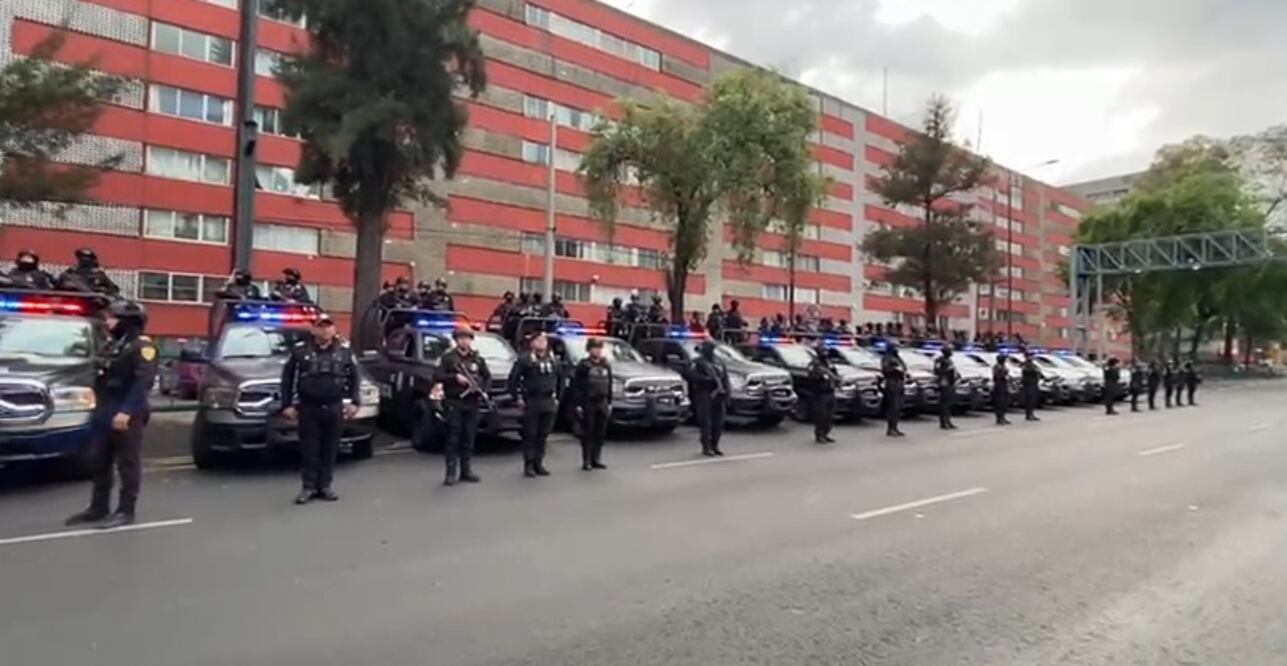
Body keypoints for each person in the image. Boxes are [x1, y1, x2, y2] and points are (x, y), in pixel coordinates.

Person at [65, 300, 158, 529]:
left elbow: (142, 383)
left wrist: (127, 412)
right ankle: (98, 508)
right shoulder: (114, 345)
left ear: (128, 321)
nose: (108, 322)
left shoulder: (142, 347)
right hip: (105, 410)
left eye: (113, 318)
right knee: (99, 461)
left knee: (127, 463)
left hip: (126, 412)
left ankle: (126, 510)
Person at [280, 313, 361, 504]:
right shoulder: (300, 352)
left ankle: (325, 486)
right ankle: (308, 487)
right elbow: (287, 379)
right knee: (309, 449)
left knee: (330, 448)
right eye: (321, 326)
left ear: (334, 330)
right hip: (309, 407)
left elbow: (355, 378)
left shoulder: (344, 352)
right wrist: (287, 404)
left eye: (328, 326)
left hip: (334, 406)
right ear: (313, 330)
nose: (325, 330)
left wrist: (355, 402)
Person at [434, 326, 491, 485]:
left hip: (472, 402)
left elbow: (487, 376)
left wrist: (482, 389)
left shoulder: (477, 358)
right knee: (453, 437)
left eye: (467, 338)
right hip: (455, 402)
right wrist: (454, 378)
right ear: (456, 340)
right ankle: (450, 473)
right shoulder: (448, 358)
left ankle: (466, 470)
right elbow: (437, 375)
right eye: (461, 338)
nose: (464, 341)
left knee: (469, 437)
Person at [508, 333, 563, 478]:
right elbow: (513, 380)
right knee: (530, 434)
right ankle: (529, 464)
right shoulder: (525, 360)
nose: (541, 342)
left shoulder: (553, 360)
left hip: (548, 401)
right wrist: (517, 398)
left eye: (544, 340)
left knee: (543, 434)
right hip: (532, 400)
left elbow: (561, 379)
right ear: (532, 343)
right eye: (538, 340)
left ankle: (539, 462)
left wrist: (558, 397)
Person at [570, 337, 612, 470]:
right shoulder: (583, 366)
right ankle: (587, 460)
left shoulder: (605, 364)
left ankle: (596, 458)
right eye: (595, 348)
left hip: (602, 402)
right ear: (589, 350)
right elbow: (576, 386)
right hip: (588, 402)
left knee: (600, 433)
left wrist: (609, 402)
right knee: (588, 432)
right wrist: (578, 404)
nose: (597, 351)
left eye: (599, 348)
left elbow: (609, 384)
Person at [689, 340, 730, 456]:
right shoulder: (698, 363)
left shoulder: (719, 362)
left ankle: (715, 445)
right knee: (706, 422)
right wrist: (708, 381)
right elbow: (693, 377)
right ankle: (706, 446)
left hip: (719, 396)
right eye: (709, 349)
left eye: (712, 349)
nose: (711, 351)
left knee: (718, 423)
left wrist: (727, 394)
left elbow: (725, 379)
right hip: (705, 394)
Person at [807, 341, 839, 444]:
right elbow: (812, 377)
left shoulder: (828, 362)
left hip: (830, 391)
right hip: (820, 394)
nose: (825, 352)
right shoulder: (815, 364)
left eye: (825, 350)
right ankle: (819, 435)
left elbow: (835, 373)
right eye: (822, 350)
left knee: (830, 415)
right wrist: (820, 376)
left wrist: (834, 377)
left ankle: (826, 434)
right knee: (821, 415)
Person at [881, 343, 907, 437]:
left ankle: (895, 427)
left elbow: (904, 367)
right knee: (893, 407)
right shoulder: (886, 358)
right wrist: (895, 369)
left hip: (899, 383)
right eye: (895, 347)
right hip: (892, 383)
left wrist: (902, 369)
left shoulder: (898, 358)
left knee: (898, 407)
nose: (897, 349)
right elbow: (885, 370)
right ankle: (890, 428)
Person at [934, 345, 959, 430]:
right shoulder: (939, 360)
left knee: (949, 403)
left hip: (950, 382)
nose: (951, 352)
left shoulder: (949, 360)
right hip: (944, 382)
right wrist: (947, 370)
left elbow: (953, 371)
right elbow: (936, 371)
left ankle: (948, 421)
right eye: (950, 351)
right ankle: (943, 422)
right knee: (944, 403)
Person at [1020, 350, 1042, 422]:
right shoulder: (1025, 364)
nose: (1032, 357)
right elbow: (1027, 371)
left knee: (1033, 400)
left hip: (1033, 383)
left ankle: (1031, 413)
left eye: (1032, 356)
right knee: (1029, 400)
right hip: (1028, 384)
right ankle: (1029, 414)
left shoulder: (1032, 364)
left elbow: (1038, 371)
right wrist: (1035, 370)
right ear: (1027, 357)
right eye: (1030, 356)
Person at [992, 352, 1012, 426]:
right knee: (999, 403)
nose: (1005, 361)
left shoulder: (1003, 366)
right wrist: (1004, 373)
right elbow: (998, 376)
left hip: (1004, 386)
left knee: (1004, 403)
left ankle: (1003, 417)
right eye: (1004, 359)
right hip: (999, 386)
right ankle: (999, 418)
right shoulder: (997, 367)